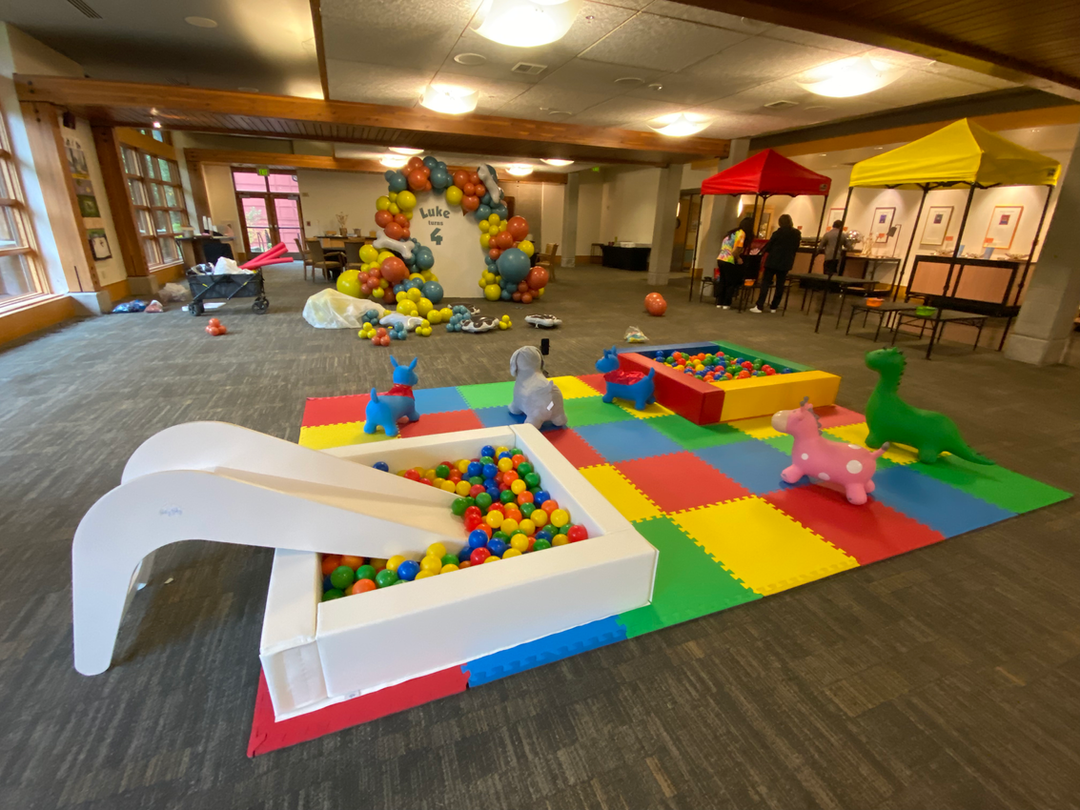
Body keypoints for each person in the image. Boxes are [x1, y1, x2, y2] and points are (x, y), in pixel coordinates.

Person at [751, 214, 801, 313]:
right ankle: (774, 306)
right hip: (786, 262)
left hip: (773, 261)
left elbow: (769, 247)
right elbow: (796, 247)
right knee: (780, 284)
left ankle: (759, 305)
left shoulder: (777, 233)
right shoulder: (796, 233)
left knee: (765, 283)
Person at [714, 216, 755, 310]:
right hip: (729, 259)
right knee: (731, 282)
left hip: (721, 258)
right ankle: (726, 303)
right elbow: (736, 249)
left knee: (722, 281)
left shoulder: (732, 232)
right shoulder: (741, 234)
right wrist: (738, 258)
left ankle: (719, 302)